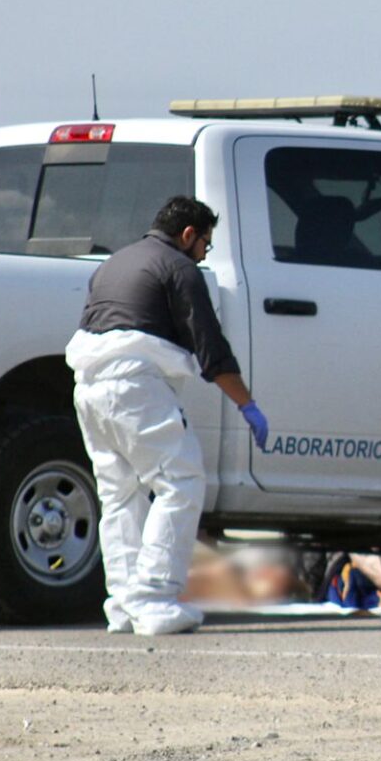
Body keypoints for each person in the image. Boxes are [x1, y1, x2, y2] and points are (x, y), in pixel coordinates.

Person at [65, 196, 268, 636]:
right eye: (205, 245)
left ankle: (123, 605)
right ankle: (155, 599)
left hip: (88, 386)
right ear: (189, 235)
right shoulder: (179, 268)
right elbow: (211, 350)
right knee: (181, 481)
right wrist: (247, 404)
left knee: (120, 494)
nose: (203, 255)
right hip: (134, 384)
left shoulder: (113, 264)